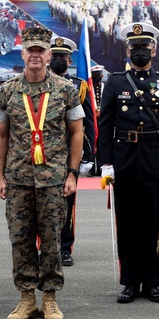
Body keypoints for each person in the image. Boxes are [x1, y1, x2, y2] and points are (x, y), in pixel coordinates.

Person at [0, 26, 84, 319]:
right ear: (23, 54)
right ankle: (26, 299)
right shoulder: (7, 90)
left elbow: (76, 133)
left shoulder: (66, 90)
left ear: (48, 55)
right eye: (29, 50)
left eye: (40, 50)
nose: (35, 54)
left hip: (53, 179)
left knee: (51, 240)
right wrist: (0, 176)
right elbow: (1, 135)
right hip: (18, 178)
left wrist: (72, 174)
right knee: (19, 240)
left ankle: (49, 299)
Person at [98, 22, 159, 304]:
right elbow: (105, 124)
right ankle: (130, 282)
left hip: (153, 160)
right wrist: (105, 163)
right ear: (127, 50)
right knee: (127, 223)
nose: (140, 52)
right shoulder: (116, 82)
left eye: (144, 47)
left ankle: (153, 282)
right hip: (122, 161)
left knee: (151, 222)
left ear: (154, 49)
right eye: (135, 48)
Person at [47, 36, 96, 266]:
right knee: (41, 203)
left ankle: (65, 248)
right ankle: (43, 247)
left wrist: (88, 156)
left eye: (62, 57)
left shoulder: (79, 85)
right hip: (42, 152)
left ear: (69, 60)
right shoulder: (37, 83)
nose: (58, 60)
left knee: (66, 202)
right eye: (55, 56)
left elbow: (88, 123)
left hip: (68, 152)